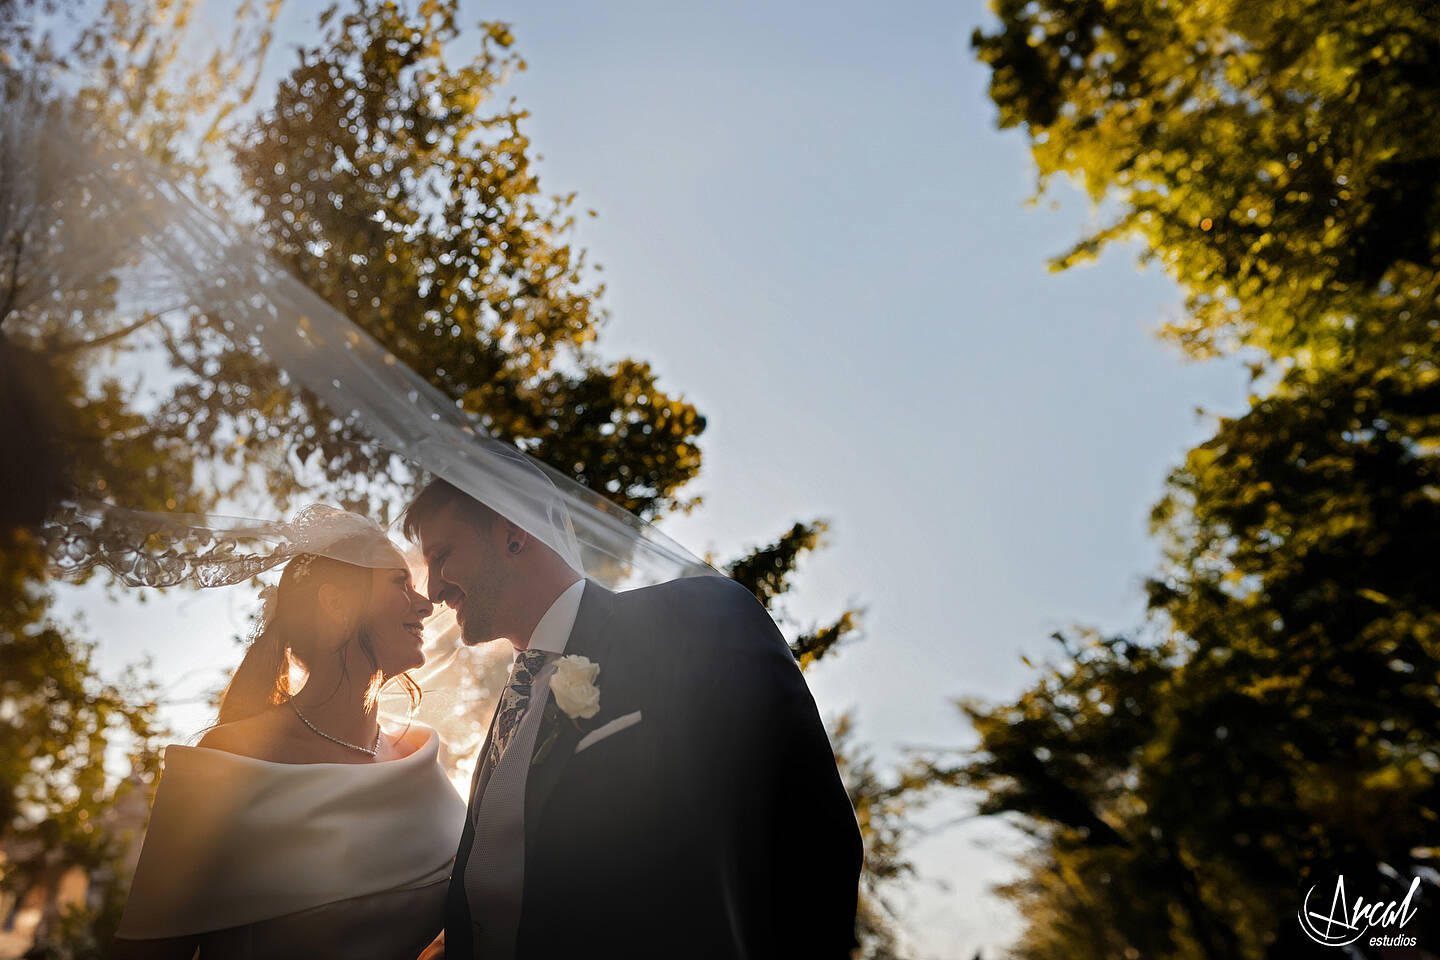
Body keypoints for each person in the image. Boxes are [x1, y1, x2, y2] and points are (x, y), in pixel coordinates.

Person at [402, 478, 864, 959]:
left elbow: (817, 838)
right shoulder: (510, 703)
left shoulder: (696, 620)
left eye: (442, 554)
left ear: (512, 532)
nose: (432, 589)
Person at [110, 521, 466, 960]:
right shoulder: (228, 762)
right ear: (337, 604)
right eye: (400, 582)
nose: (426, 604)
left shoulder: (421, 758)